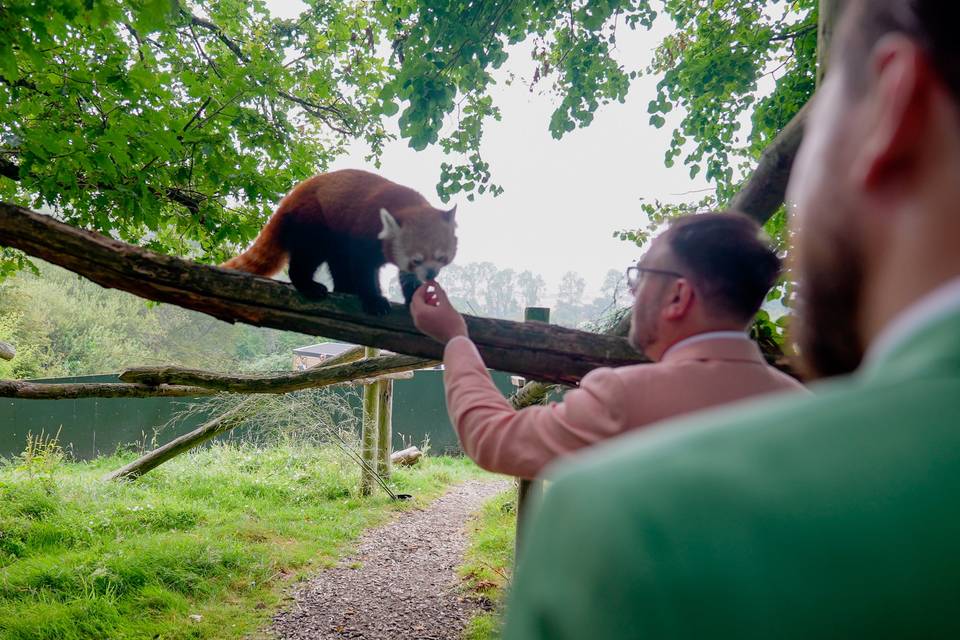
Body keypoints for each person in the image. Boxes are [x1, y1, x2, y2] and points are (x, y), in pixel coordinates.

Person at [502, 1, 960, 638]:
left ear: (894, 106)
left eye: (814, 145)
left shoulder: (619, 525)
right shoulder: (802, 408)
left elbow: (496, 439)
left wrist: (456, 348)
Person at [410, 212, 805, 480]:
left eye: (643, 275)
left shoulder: (626, 399)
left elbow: (494, 438)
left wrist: (456, 338)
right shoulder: (804, 407)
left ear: (678, 297)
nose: (635, 291)